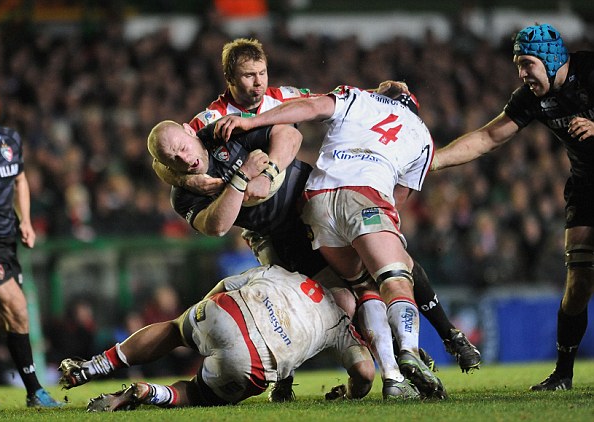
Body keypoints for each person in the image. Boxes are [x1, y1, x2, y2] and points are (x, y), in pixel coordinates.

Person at [157, 37, 481, 374]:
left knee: (387, 267)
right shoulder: (210, 120)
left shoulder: (281, 98)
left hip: (308, 200)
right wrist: (185, 179)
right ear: (229, 80)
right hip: (271, 229)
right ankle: (377, 360)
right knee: (337, 296)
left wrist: (384, 96)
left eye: (261, 73)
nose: (257, 83)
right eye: (247, 76)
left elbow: (335, 103)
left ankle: (443, 336)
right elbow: (168, 155)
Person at [214, 85, 449, 399]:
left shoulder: (351, 102)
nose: (256, 83)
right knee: (382, 281)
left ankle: (388, 368)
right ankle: (400, 359)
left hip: (314, 211)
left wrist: (250, 124)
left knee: (354, 295)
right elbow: (398, 199)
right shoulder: (420, 136)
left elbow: (313, 106)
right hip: (326, 214)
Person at [430, 23, 594, 391]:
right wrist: (434, 162)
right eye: (518, 64)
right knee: (579, 283)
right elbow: (488, 136)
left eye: (528, 64)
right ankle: (563, 374)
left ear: (551, 60)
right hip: (586, 186)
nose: (522, 73)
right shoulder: (530, 97)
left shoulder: (591, 73)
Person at [59, 265, 375, 411]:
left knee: (172, 330)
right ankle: (149, 392)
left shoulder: (289, 275)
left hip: (225, 311)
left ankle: (93, 366)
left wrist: (200, 315)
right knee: (199, 395)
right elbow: (364, 373)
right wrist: (352, 393)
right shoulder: (341, 327)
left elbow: (227, 283)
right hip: (253, 359)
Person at [0, 76, 61, 407]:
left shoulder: (9, 139)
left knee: (1, 324)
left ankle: (35, 390)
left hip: (6, 241)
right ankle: (36, 391)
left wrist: (26, 220)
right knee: (19, 309)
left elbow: (20, 180)